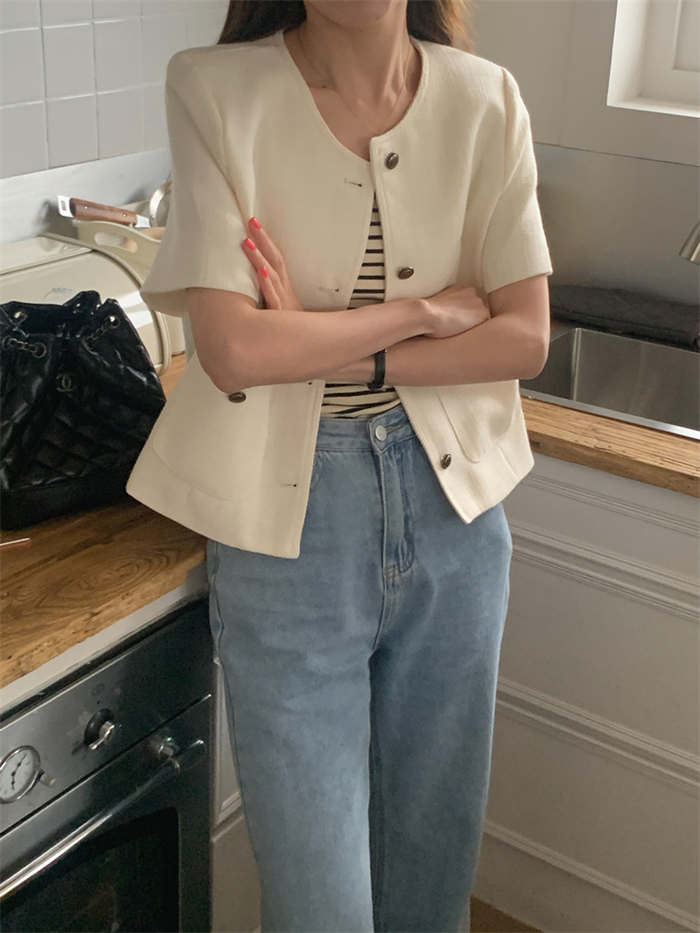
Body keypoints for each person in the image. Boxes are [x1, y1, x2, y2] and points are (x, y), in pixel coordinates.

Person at [127, 0, 554, 929]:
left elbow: (525, 337)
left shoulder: (487, 100)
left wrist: (323, 344)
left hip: (456, 521)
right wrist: (420, 313)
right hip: (292, 536)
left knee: (432, 880)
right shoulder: (216, 89)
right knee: (319, 901)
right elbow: (235, 351)